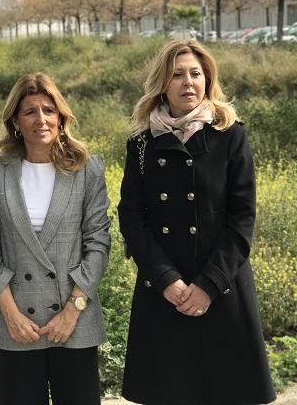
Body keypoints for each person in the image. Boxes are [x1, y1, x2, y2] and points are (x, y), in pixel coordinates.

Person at [118, 40, 276, 405]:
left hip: (222, 288)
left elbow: (242, 219)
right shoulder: (142, 144)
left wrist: (208, 285)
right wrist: (166, 280)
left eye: (195, 74)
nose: (187, 82)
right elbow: (131, 217)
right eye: (177, 74)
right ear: (162, 83)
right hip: (164, 293)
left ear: (207, 80)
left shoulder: (231, 136)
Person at [0, 72, 111, 405]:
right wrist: (11, 315)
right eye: (30, 111)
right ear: (16, 121)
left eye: (49, 110)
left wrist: (72, 311)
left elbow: (98, 244)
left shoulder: (87, 169)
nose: (41, 119)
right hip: (17, 327)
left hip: (73, 325)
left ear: (61, 116)